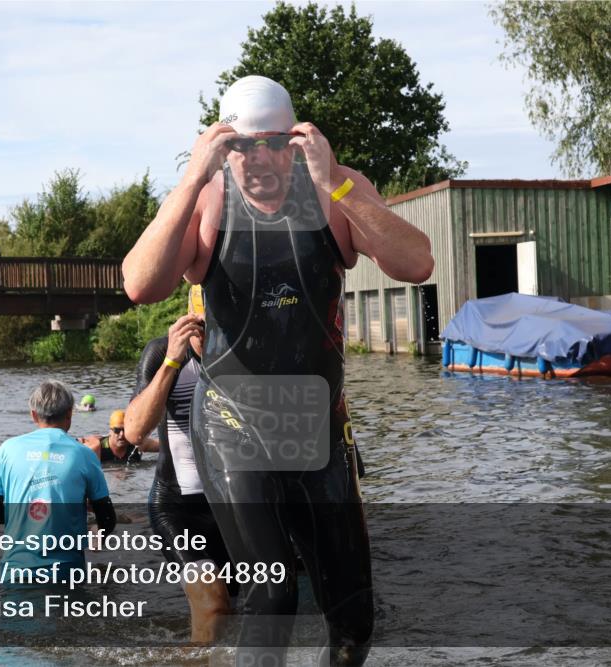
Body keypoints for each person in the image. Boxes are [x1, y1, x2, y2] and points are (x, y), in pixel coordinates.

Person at [121, 75, 434, 664]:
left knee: (354, 620)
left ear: (294, 140)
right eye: (241, 147)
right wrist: (193, 175)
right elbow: (139, 283)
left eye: (271, 143)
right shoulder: (208, 199)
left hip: (317, 429)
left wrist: (336, 182)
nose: (257, 159)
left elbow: (417, 262)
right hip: (235, 430)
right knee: (274, 591)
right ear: (223, 146)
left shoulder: (333, 192)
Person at [126, 288, 236, 643]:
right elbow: (135, 430)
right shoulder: (161, 352)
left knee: (235, 612)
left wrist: (216, 363)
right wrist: (173, 361)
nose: (207, 332)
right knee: (213, 603)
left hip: (236, 505)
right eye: (202, 323)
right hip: (178, 505)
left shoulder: (244, 350)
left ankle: (194, 655)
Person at [0, 380, 116, 577]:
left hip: (16, 570)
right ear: (70, 413)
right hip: (67, 571)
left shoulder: (8, 449)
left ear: (33, 415)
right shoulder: (85, 454)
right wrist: (95, 532)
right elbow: (108, 518)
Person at [81, 410, 159, 465]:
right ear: (110, 431)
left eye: (124, 430)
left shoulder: (137, 445)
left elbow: (165, 446)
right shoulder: (97, 447)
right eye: (117, 430)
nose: (121, 434)